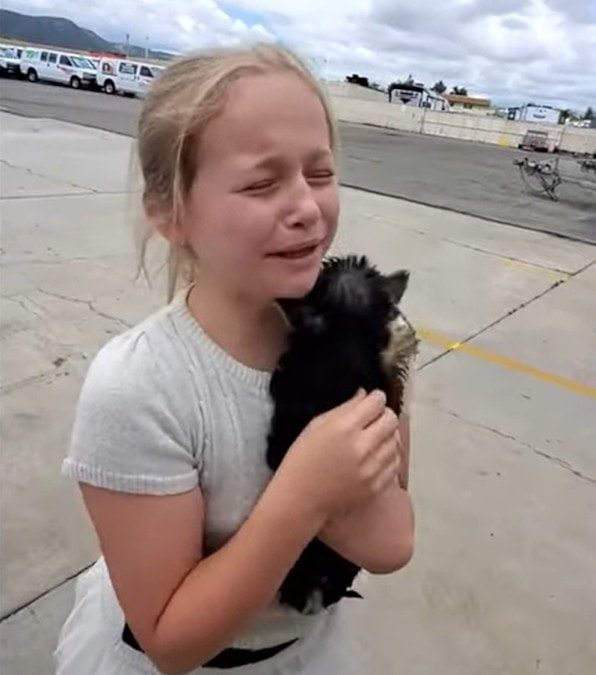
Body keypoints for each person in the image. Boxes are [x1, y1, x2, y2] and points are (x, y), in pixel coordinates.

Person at [53, 42, 415, 675]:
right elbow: (170, 641)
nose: (306, 206)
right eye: (261, 182)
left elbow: (392, 541)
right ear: (169, 213)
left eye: (321, 173)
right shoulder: (139, 388)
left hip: (306, 651)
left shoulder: (365, 336)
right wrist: (303, 493)